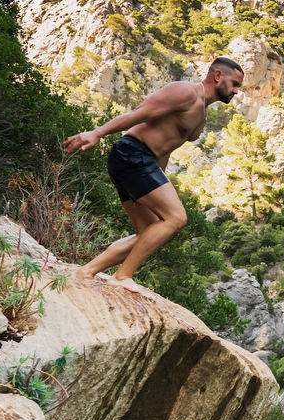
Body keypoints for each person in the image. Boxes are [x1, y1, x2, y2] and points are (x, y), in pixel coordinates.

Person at [64, 57, 246, 290]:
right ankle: (122, 277)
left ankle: (85, 272)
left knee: (149, 232)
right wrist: (98, 132)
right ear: (218, 76)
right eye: (235, 83)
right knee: (176, 218)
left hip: (141, 162)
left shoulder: (201, 113)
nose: (236, 91)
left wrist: (158, 181)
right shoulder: (185, 92)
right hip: (133, 153)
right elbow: (140, 113)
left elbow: (167, 148)